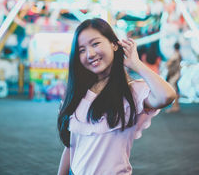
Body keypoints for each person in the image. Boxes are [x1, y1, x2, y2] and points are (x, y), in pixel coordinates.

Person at [57, 18, 176, 175]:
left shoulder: (132, 92)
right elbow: (71, 146)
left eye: (95, 44)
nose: (90, 54)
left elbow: (167, 96)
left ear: (114, 44)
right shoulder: (77, 94)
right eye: (82, 50)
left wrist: (136, 64)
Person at [165, 42, 182, 113]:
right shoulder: (179, 54)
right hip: (177, 73)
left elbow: (168, 63)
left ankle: (174, 107)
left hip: (174, 75)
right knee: (176, 90)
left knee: (173, 90)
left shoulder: (175, 54)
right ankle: (176, 106)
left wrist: (168, 65)